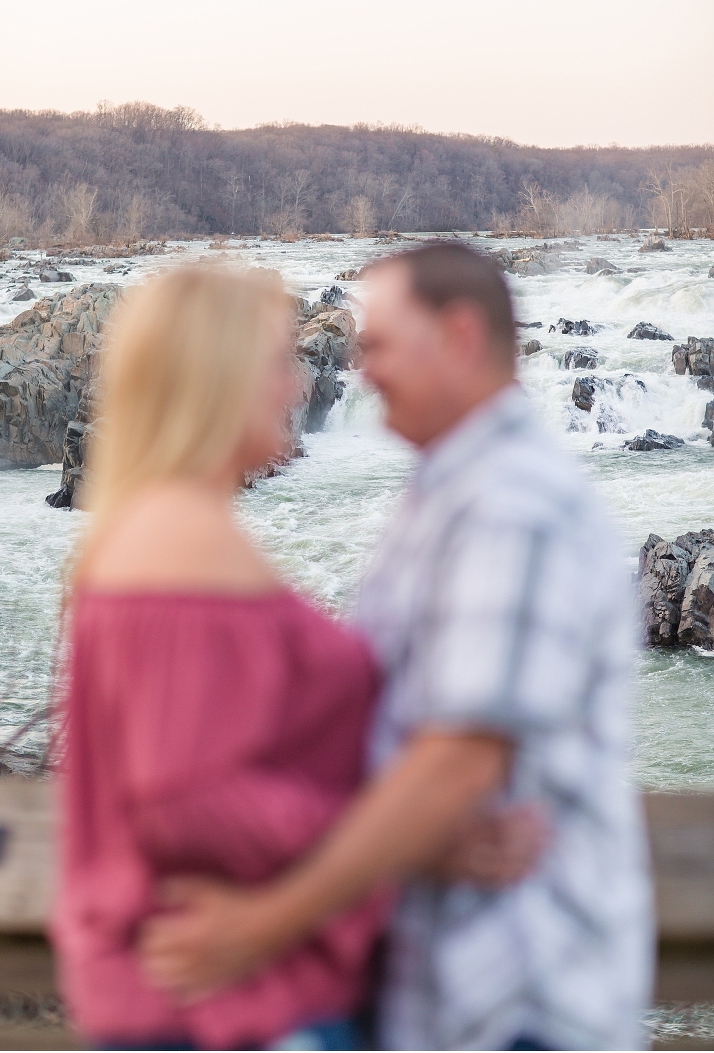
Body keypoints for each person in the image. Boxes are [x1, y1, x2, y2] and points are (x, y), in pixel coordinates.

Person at [140, 244, 654, 1051]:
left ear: (456, 336)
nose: (360, 368)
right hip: (441, 986)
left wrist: (266, 923)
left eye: (377, 343)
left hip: (515, 989)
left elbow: (457, 763)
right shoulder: (443, 493)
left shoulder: (512, 506)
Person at [52, 262, 545, 1053]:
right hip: (223, 1008)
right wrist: (402, 837)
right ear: (215, 379)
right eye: (277, 364)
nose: (295, 389)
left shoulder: (161, 527)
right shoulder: (179, 540)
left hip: (219, 997)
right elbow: (186, 794)